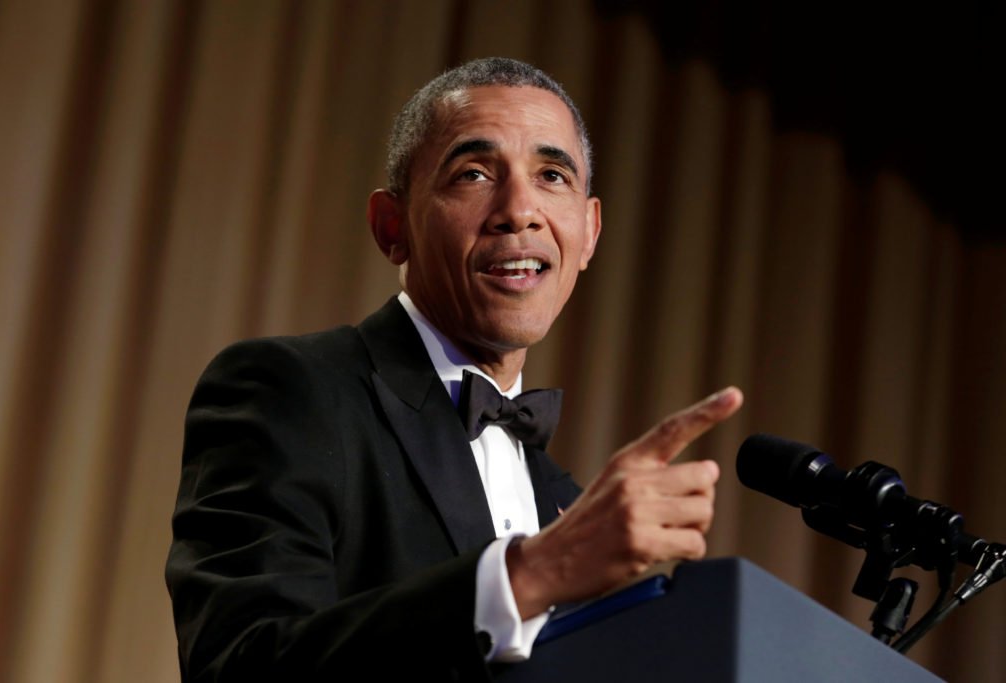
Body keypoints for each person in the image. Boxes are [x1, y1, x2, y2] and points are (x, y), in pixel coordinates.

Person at [165, 57, 742, 682]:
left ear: (589, 232)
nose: (519, 210)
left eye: (552, 175)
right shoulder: (289, 389)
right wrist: (529, 575)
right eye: (472, 173)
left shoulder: (566, 506)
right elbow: (237, 667)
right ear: (393, 228)